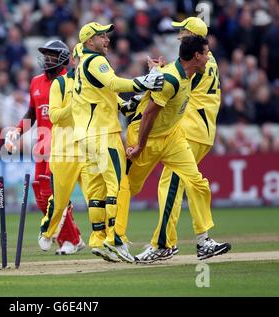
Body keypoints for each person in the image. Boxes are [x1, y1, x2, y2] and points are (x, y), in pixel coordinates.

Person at [106, 35, 231, 263]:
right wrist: (140, 145)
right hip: (147, 137)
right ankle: (115, 239)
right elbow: (148, 115)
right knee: (127, 186)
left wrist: (156, 70)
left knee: (196, 182)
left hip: (172, 137)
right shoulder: (172, 80)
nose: (209, 58)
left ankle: (204, 240)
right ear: (196, 56)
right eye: (206, 53)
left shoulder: (188, 72)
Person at [71, 22, 164, 262]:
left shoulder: (81, 67)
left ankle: (99, 240)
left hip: (85, 136)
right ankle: (116, 240)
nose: (107, 39)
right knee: (118, 185)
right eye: (102, 36)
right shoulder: (95, 61)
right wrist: (147, 81)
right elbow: (114, 84)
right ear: (90, 41)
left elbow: (109, 98)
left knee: (97, 191)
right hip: (103, 134)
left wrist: (133, 101)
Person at [137, 17, 224, 262]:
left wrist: (155, 71)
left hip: (190, 129)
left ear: (192, 37)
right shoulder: (209, 59)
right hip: (202, 131)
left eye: (183, 31)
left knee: (171, 187)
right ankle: (203, 240)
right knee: (191, 184)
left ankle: (163, 244)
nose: (178, 35)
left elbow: (172, 81)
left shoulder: (198, 62)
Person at [5, 40, 85, 255]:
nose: (47, 58)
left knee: (53, 194)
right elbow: (32, 112)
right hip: (42, 146)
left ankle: (70, 240)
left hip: (63, 145)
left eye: (51, 55)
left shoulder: (70, 82)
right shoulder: (35, 82)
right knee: (41, 197)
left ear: (63, 59)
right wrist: (17, 131)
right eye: (45, 54)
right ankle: (73, 238)